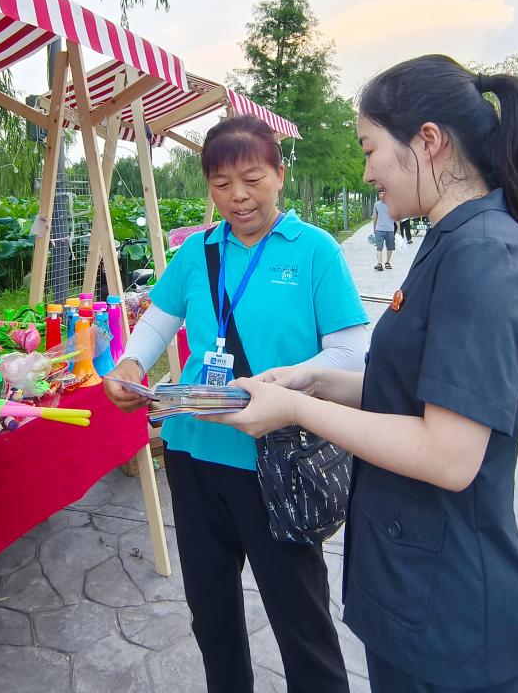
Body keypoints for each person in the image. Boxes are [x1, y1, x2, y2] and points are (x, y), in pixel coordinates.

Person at [210, 55, 518, 692]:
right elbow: (412, 390)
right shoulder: (449, 239)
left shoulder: (483, 254)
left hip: (453, 617)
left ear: (428, 140)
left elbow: (449, 454)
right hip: (415, 586)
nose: (367, 172)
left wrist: (297, 411)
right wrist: (311, 381)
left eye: (371, 149)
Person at [103, 114, 368, 693]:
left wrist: (289, 382)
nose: (239, 197)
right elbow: (159, 320)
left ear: (279, 173)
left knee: (300, 617)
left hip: (277, 461)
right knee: (211, 610)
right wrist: (131, 364)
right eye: (222, 184)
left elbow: (352, 353)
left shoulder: (314, 251)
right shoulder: (197, 252)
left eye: (252, 179)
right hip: (194, 453)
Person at [373, 187, 396, 270]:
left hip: (390, 229)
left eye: (383, 193)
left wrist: (399, 229)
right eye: (380, 194)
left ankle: (387, 262)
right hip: (379, 229)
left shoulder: (392, 204)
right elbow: (375, 216)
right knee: (379, 247)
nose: (381, 195)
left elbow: (396, 216)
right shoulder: (376, 204)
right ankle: (379, 264)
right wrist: (375, 227)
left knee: (390, 247)